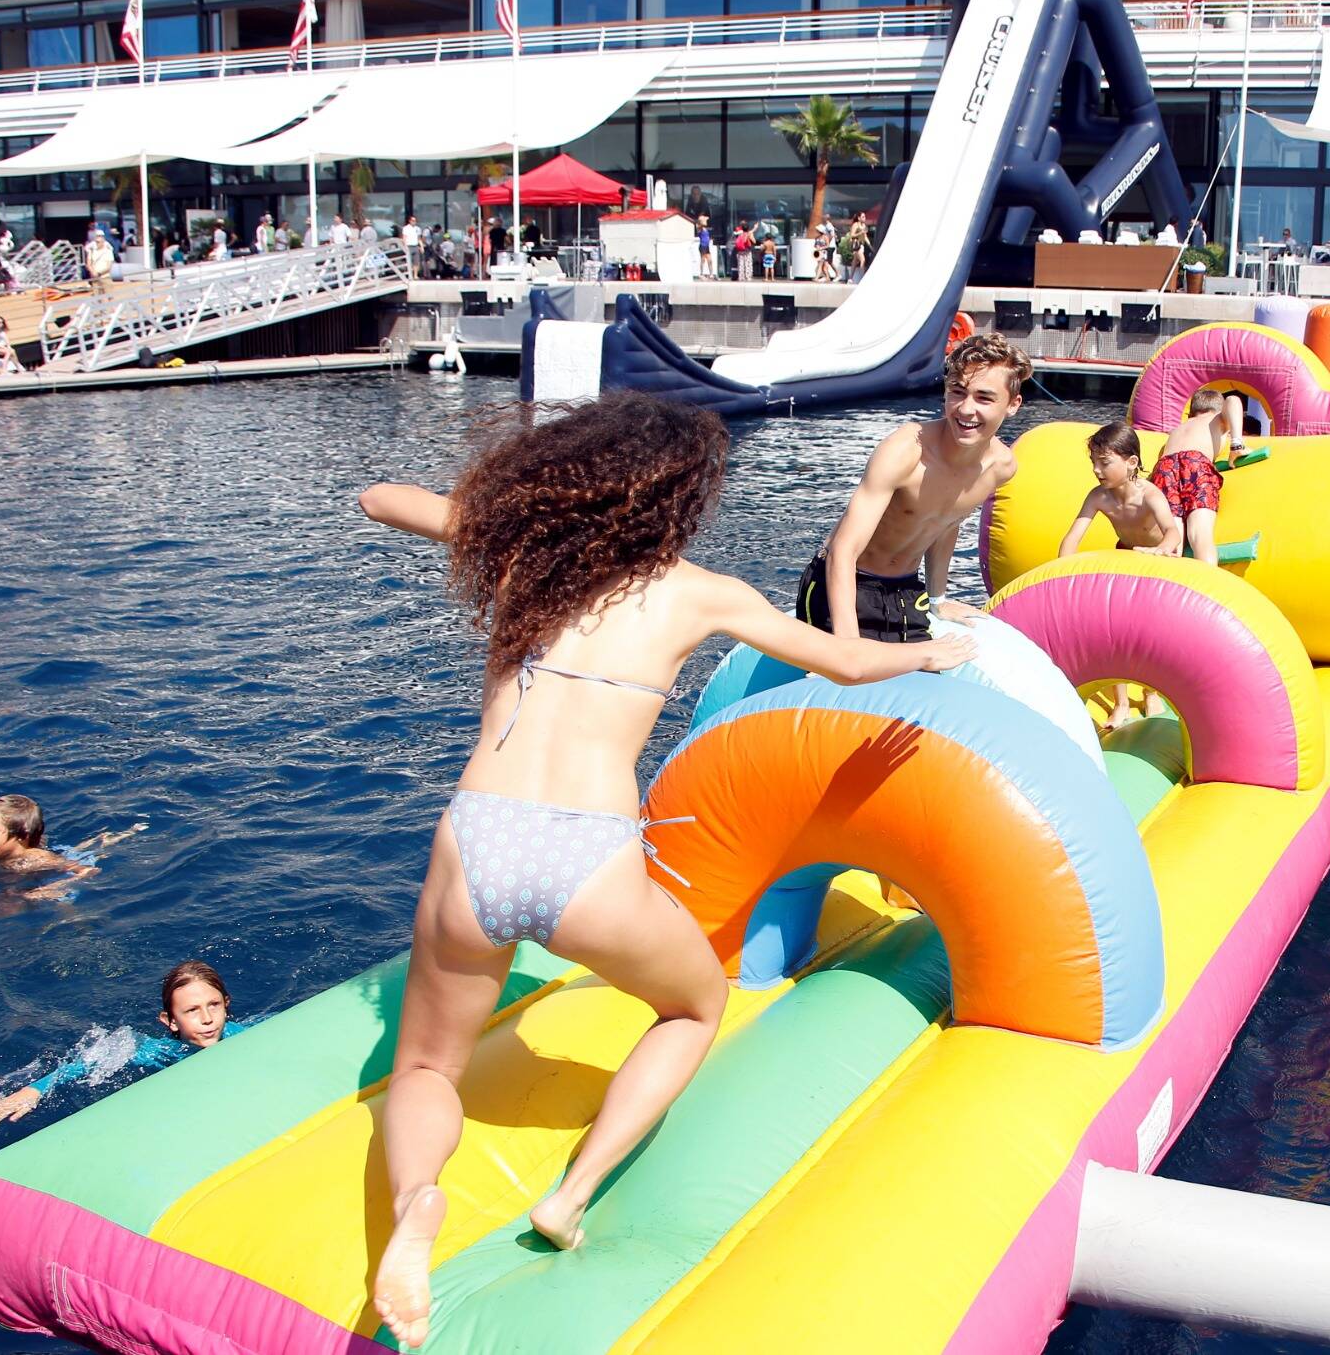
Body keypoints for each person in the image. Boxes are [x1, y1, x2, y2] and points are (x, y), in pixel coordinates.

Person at [354, 394, 972, 1345]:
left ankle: (416, 1203)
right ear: (679, 500)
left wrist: (504, 510)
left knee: (429, 1064)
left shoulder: (527, 554)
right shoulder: (700, 592)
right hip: (588, 857)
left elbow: (378, 497)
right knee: (693, 1006)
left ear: (580, 476)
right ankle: (572, 1194)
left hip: (476, 837)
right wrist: (934, 652)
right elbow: (845, 663)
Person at [796, 334, 1031, 643]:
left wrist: (938, 599)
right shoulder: (905, 451)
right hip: (843, 584)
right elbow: (843, 549)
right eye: (957, 392)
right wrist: (849, 645)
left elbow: (947, 524)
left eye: (984, 398)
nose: (965, 409)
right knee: (854, 672)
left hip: (906, 589)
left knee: (928, 670)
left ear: (1013, 404)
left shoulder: (1001, 467)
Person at [0, 961, 249, 1129]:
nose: (207, 1019)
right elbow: (85, 1064)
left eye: (214, 1005)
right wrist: (34, 1090)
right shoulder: (157, 1053)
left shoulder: (245, 1034)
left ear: (226, 1004)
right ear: (171, 1021)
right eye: (191, 1010)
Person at [1056, 423, 1177, 726]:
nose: (1096, 470)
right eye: (1093, 462)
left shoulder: (1150, 495)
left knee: (1149, 632)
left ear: (1131, 462)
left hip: (1154, 563)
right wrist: (1062, 574)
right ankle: (1121, 702)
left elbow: (1172, 531)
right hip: (1125, 558)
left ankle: (1151, 693)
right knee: (1113, 630)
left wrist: (1161, 550)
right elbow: (1072, 537)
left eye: (1104, 462)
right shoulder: (1099, 496)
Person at [0, 793, 147, 901]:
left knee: (65, 908)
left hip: (56, 873)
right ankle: (107, 838)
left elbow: (89, 871)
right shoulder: (9, 854)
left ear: (22, 835)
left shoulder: (37, 859)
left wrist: (48, 889)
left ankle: (125, 833)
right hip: (47, 863)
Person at [1148, 389, 1245, 566]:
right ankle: (1208, 577)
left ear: (1191, 413)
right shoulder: (1216, 419)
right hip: (1195, 462)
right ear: (1218, 410)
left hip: (1165, 467)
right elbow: (1232, 400)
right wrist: (1236, 442)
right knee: (1200, 535)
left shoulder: (1178, 428)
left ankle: (1170, 576)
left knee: (1173, 537)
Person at [85, 231, 115, 295]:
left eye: (99, 241)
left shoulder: (108, 249)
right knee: (97, 296)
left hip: (105, 277)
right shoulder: (91, 250)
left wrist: (99, 273)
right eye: (96, 241)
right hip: (95, 278)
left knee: (109, 296)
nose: (97, 243)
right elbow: (89, 263)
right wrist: (93, 272)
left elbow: (109, 266)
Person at [846, 216, 871, 281]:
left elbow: (865, 237)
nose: (864, 218)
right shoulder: (855, 225)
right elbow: (852, 235)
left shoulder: (864, 225)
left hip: (861, 244)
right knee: (862, 260)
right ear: (859, 218)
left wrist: (870, 245)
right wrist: (860, 233)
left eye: (864, 217)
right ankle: (863, 278)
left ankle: (850, 278)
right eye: (863, 217)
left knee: (855, 261)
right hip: (857, 244)